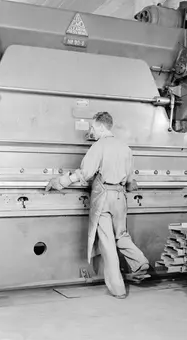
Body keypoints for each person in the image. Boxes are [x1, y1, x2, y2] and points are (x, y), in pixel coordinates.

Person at [45, 112, 150, 299]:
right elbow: (130, 181)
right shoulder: (125, 148)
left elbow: (84, 173)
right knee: (121, 235)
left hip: (104, 198)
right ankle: (140, 262)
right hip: (120, 197)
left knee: (107, 242)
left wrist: (60, 181)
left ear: (101, 127)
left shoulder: (98, 146)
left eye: (93, 127)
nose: (91, 131)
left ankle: (118, 289)